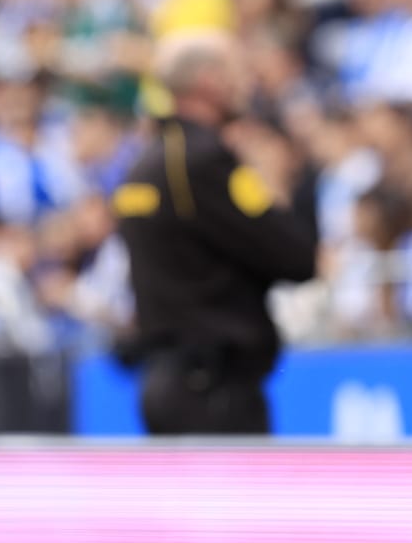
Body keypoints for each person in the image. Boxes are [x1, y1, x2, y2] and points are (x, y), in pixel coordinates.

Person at [115, 30, 318, 435]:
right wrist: (273, 184)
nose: (245, 83)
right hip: (213, 388)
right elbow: (295, 258)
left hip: (167, 378)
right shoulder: (205, 161)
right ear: (209, 81)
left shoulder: (145, 164)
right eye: (235, 71)